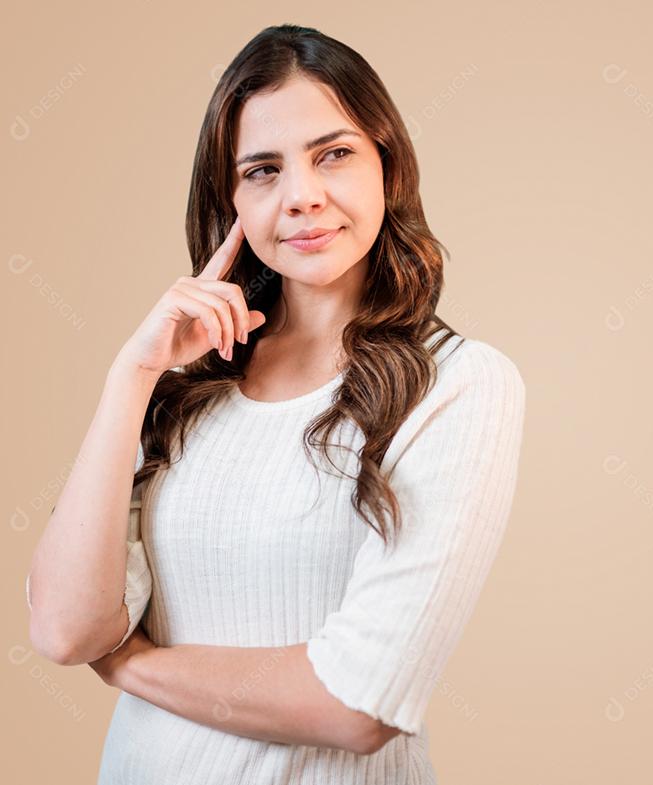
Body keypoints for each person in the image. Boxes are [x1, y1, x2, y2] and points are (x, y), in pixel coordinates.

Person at [25, 24, 526, 785]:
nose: (302, 196)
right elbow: (65, 627)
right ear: (230, 202)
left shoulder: (457, 383)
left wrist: (134, 666)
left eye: (333, 154)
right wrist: (130, 376)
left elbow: (357, 704)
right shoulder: (182, 391)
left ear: (386, 168)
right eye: (262, 170)